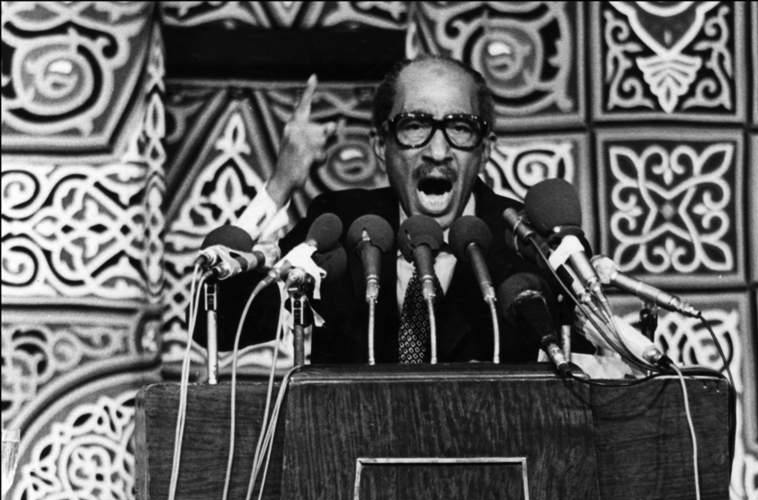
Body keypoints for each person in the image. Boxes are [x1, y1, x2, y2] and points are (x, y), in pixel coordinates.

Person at [201, 56, 572, 364]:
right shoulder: (338, 223)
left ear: (485, 149)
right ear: (381, 145)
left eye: (460, 127)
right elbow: (224, 322)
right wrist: (279, 186)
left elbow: (579, 376)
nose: (438, 153)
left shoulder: (527, 243)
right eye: (415, 126)